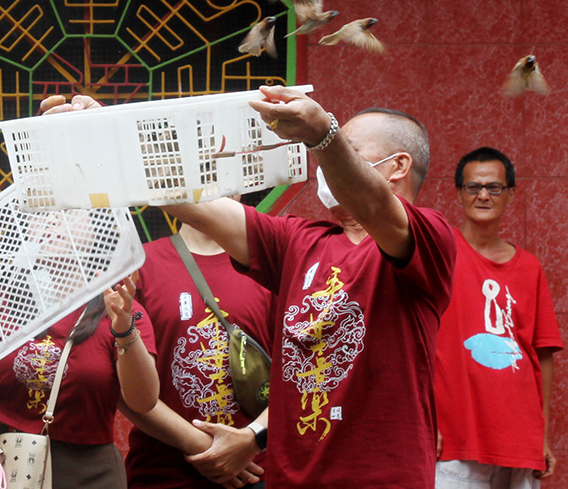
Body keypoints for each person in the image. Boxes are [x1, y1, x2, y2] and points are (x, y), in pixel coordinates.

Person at [42, 86, 457, 489]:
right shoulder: (301, 242)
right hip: (289, 478)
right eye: (330, 146)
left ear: (398, 166)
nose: (326, 162)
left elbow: (376, 207)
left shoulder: (428, 238)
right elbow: (183, 197)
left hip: (379, 477)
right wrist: (99, 138)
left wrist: (323, 135)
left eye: (350, 148)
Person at [0, 248, 160, 489]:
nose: (53, 220)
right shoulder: (0, 306)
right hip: (11, 469)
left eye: (70, 211)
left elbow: (143, 401)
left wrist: (125, 329)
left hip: (90, 473)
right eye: (41, 213)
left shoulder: (119, 308)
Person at [434, 147, 562, 489]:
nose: (483, 195)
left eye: (494, 187)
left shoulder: (530, 267)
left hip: (518, 438)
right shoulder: (440, 253)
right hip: (456, 437)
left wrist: (541, 434)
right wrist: (424, 418)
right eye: (473, 187)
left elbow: (542, 354)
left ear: (511, 194)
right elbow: (411, 340)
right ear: (459, 192)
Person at [123, 218, 274, 489]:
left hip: (258, 469)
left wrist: (253, 438)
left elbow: (300, 370)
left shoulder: (272, 261)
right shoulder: (140, 267)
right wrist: (203, 446)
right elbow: (123, 387)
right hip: (164, 472)